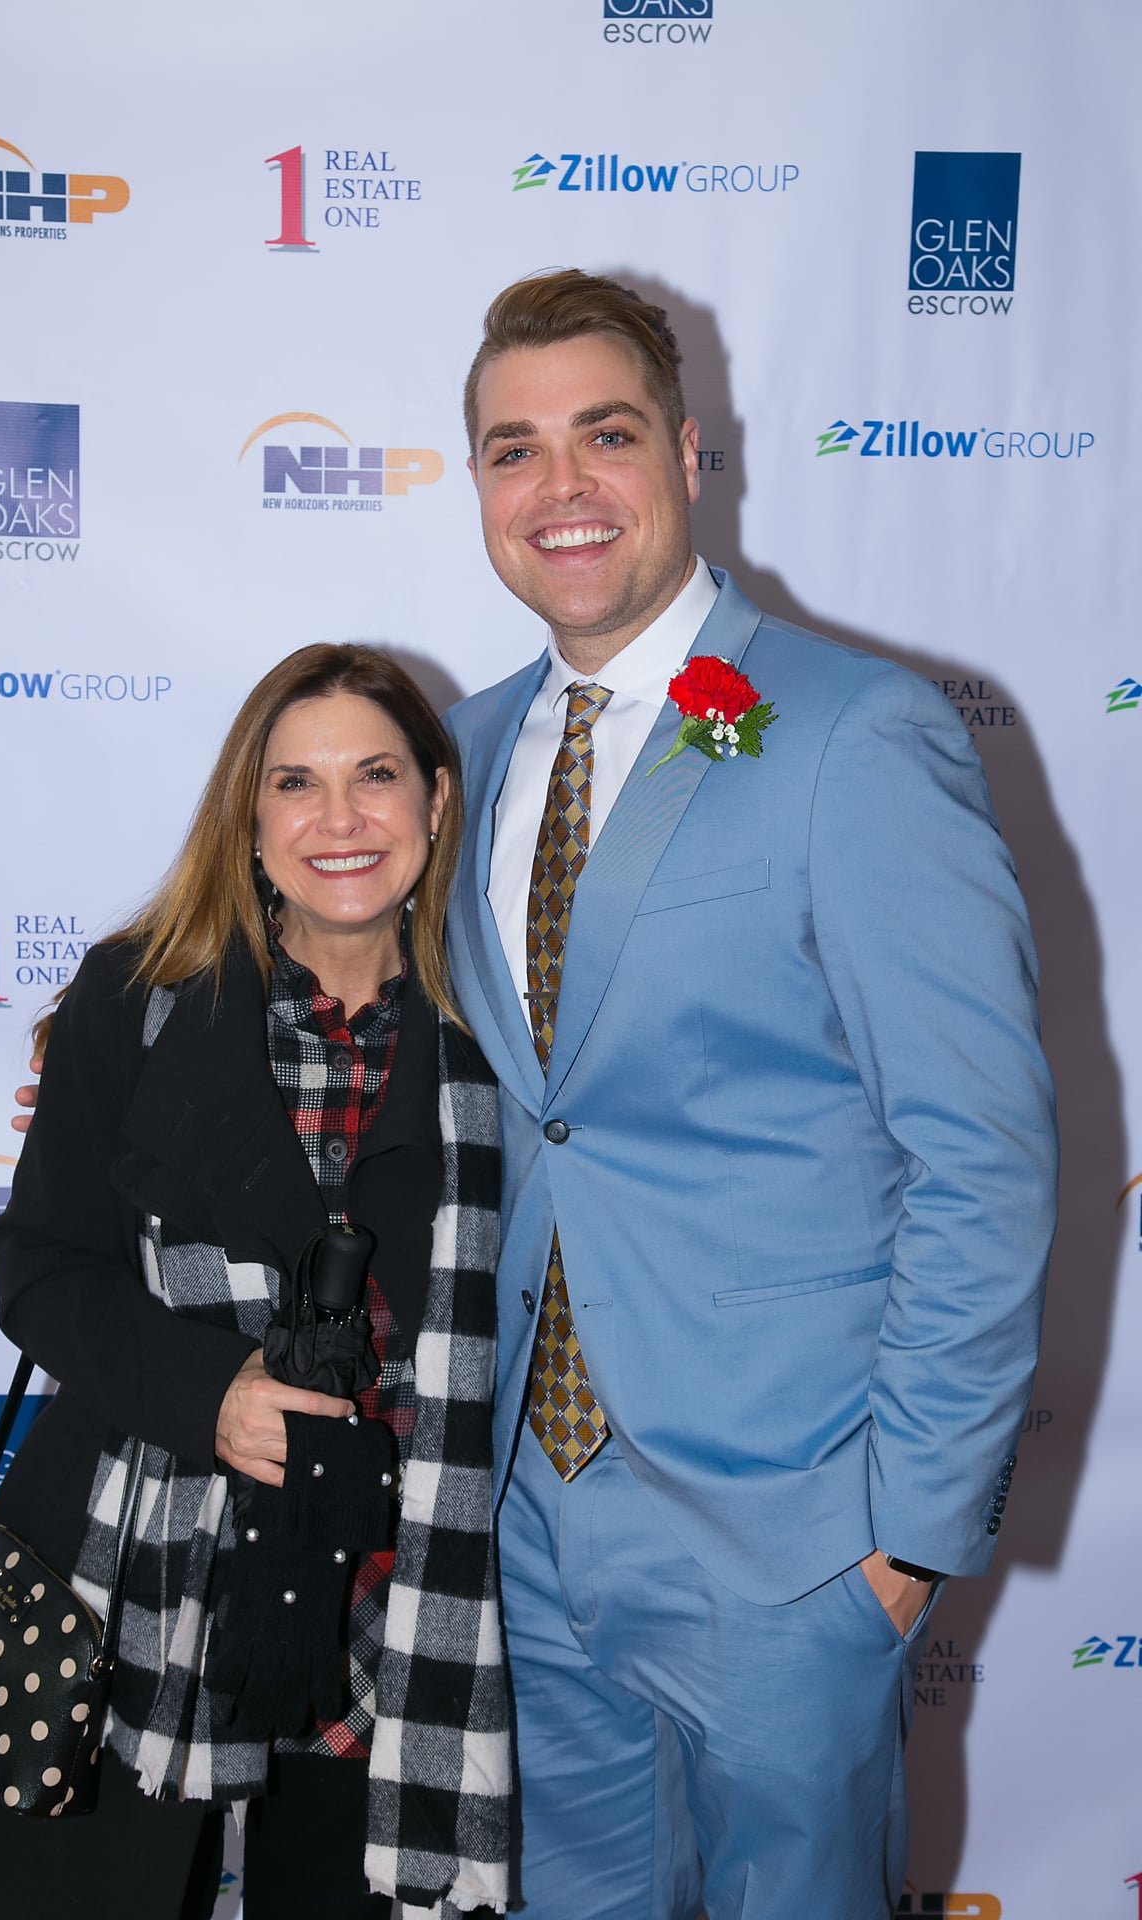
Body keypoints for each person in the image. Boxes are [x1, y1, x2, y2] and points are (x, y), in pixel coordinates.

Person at [438, 270, 1058, 1919]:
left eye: (606, 435)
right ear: (479, 487)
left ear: (690, 454)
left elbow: (981, 1154)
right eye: (514, 449)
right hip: (528, 1510)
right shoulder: (466, 748)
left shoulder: (855, 734)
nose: (559, 487)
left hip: (791, 1532)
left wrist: (906, 1535)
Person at [0, 646, 510, 1920]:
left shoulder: (508, 1037)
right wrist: (210, 1392)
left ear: (436, 802)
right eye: (295, 782)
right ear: (250, 812)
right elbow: (43, 1266)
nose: (337, 820)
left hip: (398, 1587)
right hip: (135, 1566)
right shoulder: (139, 998)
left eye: (375, 777)